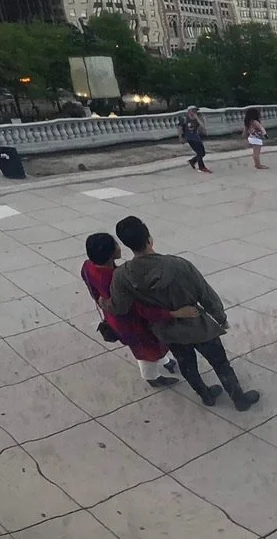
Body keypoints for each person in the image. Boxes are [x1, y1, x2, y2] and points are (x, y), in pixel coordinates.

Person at [113, 217, 261, 410]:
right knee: (220, 363)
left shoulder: (122, 276)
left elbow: (120, 307)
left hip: (167, 331)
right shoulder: (179, 264)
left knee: (187, 366)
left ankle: (206, 395)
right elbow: (205, 294)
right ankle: (239, 399)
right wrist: (220, 317)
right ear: (149, 240)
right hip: (198, 327)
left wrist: (105, 303)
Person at [82, 232, 179, 387]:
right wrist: (168, 314)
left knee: (151, 345)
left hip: (113, 317)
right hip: (132, 322)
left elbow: (94, 291)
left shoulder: (88, 267)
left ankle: (163, 360)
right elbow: (135, 307)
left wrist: (101, 301)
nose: (119, 247)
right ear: (110, 253)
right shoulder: (118, 278)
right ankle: (152, 377)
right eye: (115, 245)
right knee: (146, 349)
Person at [181, 106, 211, 174]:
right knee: (199, 152)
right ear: (189, 111)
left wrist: (197, 118)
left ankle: (192, 161)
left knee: (202, 153)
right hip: (190, 138)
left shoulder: (197, 119)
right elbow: (180, 128)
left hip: (197, 137)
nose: (195, 112)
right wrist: (181, 138)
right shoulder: (184, 119)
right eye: (193, 111)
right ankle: (201, 167)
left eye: (196, 111)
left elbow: (203, 127)